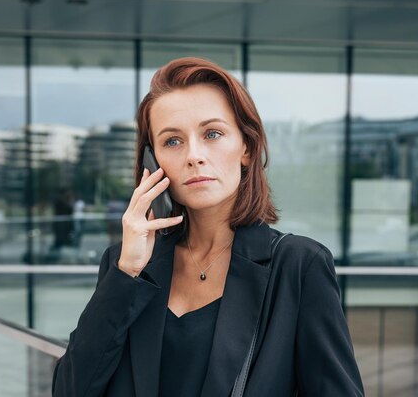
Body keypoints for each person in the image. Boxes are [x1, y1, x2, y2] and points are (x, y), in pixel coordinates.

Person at [52, 57, 365, 396]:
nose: (194, 155)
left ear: (246, 146)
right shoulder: (128, 265)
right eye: (172, 141)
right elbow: (71, 390)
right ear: (152, 161)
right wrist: (126, 272)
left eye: (212, 134)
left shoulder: (299, 265)